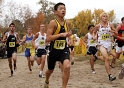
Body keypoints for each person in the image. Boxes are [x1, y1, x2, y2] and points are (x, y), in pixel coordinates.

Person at [44, 2, 72, 88]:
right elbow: (48, 39)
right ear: (55, 12)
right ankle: (47, 80)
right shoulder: (53, 23)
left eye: (64, 8)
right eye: (61, 8)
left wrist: (70, 39)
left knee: (67, 66)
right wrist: (61, 35)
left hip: (63, 49)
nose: (63, 10)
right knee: (50, 70)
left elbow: (68, 34)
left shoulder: (67, 23)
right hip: (53, 51)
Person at [94, 12, 117, 81]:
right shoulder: (98, 26)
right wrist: (95, 36)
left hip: (108, 43)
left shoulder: (110, 25)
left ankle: (97, 57)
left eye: (106, 16)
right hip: (101, 43)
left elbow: (116, 33)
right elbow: (94, 32)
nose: (105, 17)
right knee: (107, 58)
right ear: (101, 18)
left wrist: (111, 30)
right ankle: (110, 75)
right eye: (104, 16)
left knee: (105, 59)